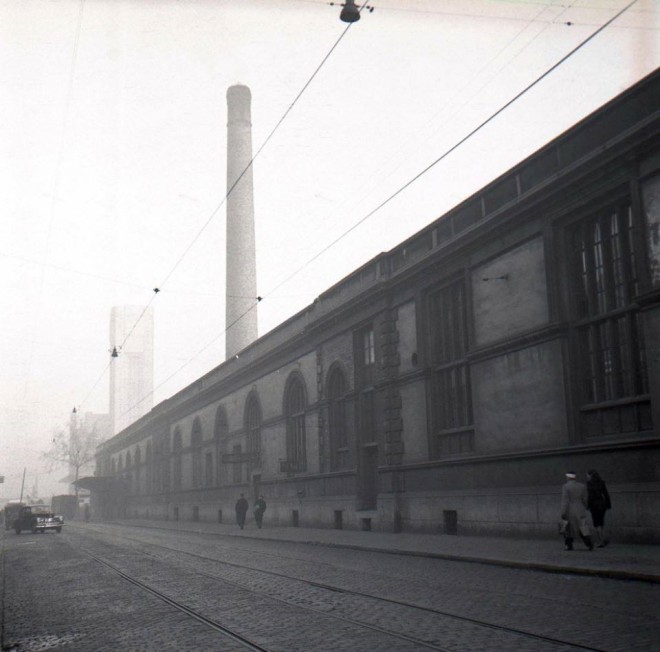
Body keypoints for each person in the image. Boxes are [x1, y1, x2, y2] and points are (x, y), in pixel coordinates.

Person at [560, 471, 594, 551]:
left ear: (568, 477)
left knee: (569, 528)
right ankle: (588, 541)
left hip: (570, 509)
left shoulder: (566, 487)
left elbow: (565, 501)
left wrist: (563, 512)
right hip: (580, 508)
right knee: (582, 526)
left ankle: (569, 545)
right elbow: (585, 498)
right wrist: (586, 506)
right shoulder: (582, 486)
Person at [587, 469, 611, 547]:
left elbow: (590, 496)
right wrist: (608, 504)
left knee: (596, 524)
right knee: (601, 522)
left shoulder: (589, 483)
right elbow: (606, 494)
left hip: (594, 505)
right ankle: (604, 537)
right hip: (602, 504)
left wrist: (588, 505)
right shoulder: (601, 482)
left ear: (590, 475)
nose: (587, 477)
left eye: (587, 475)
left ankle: (601, 541)